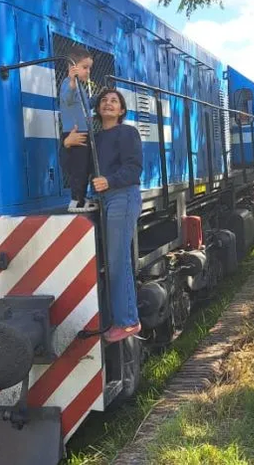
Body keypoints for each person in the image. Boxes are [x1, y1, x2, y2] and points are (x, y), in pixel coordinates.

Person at [91, 88, 143, 343]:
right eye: (104, 101)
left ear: (122, 110)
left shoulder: (127, 133)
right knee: (110, 260)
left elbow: (134, 169)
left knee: (117, 259)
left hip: (123, 195)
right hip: (104, 199)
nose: (108, 104)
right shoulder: (96, 137)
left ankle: (128, 321)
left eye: (114, 101)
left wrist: (108, 181)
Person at [60, 46, 98, 213]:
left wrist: (97, 98)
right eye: (85, 67)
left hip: (84, 132)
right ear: (72, 67)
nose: (88, 72)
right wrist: (73, 81)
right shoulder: (69, 84)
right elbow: (67, 99)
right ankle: (76, 200)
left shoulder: (81, 87)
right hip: (75, 133)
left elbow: (85, 105)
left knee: (87, 167)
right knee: (79, 169)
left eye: (89, 68)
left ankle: (83, 197)